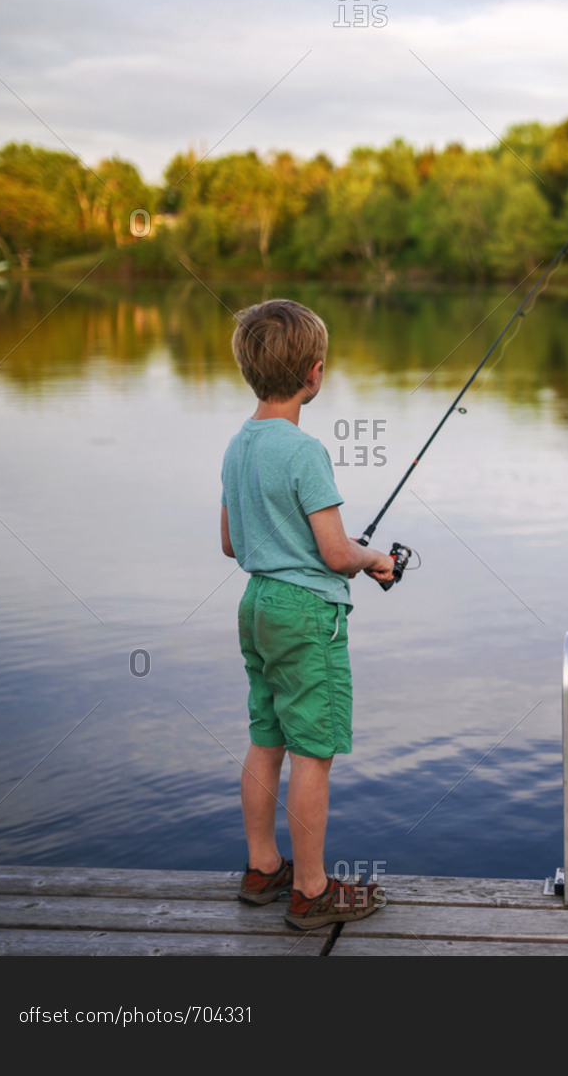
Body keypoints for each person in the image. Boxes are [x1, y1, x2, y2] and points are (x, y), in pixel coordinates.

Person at [219, 298, 392, 930]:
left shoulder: (238, 447)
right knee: (313, 751)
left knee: (266, 735)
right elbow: (334, 552)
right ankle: (313, 890)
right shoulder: (304, 451)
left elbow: (231, 543)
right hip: (305, 614)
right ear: (314, 374)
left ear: (248, 370)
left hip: (256, 605)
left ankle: (263, 868)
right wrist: (375, 561)